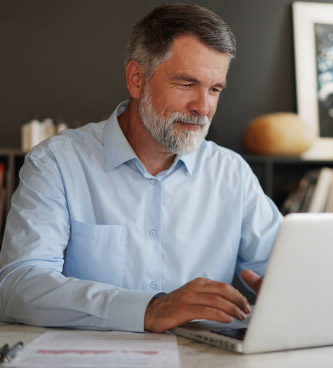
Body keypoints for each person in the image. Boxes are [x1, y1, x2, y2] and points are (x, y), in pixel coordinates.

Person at [0, 4, 282, 333]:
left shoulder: (232, 173)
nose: (203, 107)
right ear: (137, 80)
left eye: (215, 89)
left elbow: (288, 269)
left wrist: (291, 289)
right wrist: (150, 308)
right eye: (187, 84)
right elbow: (18, 286)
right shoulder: (56, 164)